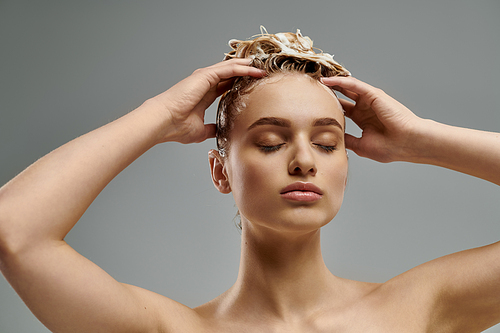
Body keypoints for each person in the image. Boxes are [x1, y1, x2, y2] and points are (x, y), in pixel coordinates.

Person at [0, 28, 499, 333]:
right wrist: (159, 116)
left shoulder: (420, 311)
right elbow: (15, 231)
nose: (305, 161)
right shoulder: (166, 329)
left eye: (328, 144)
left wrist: (422, 138)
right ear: (221, 172)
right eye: (269, 142)